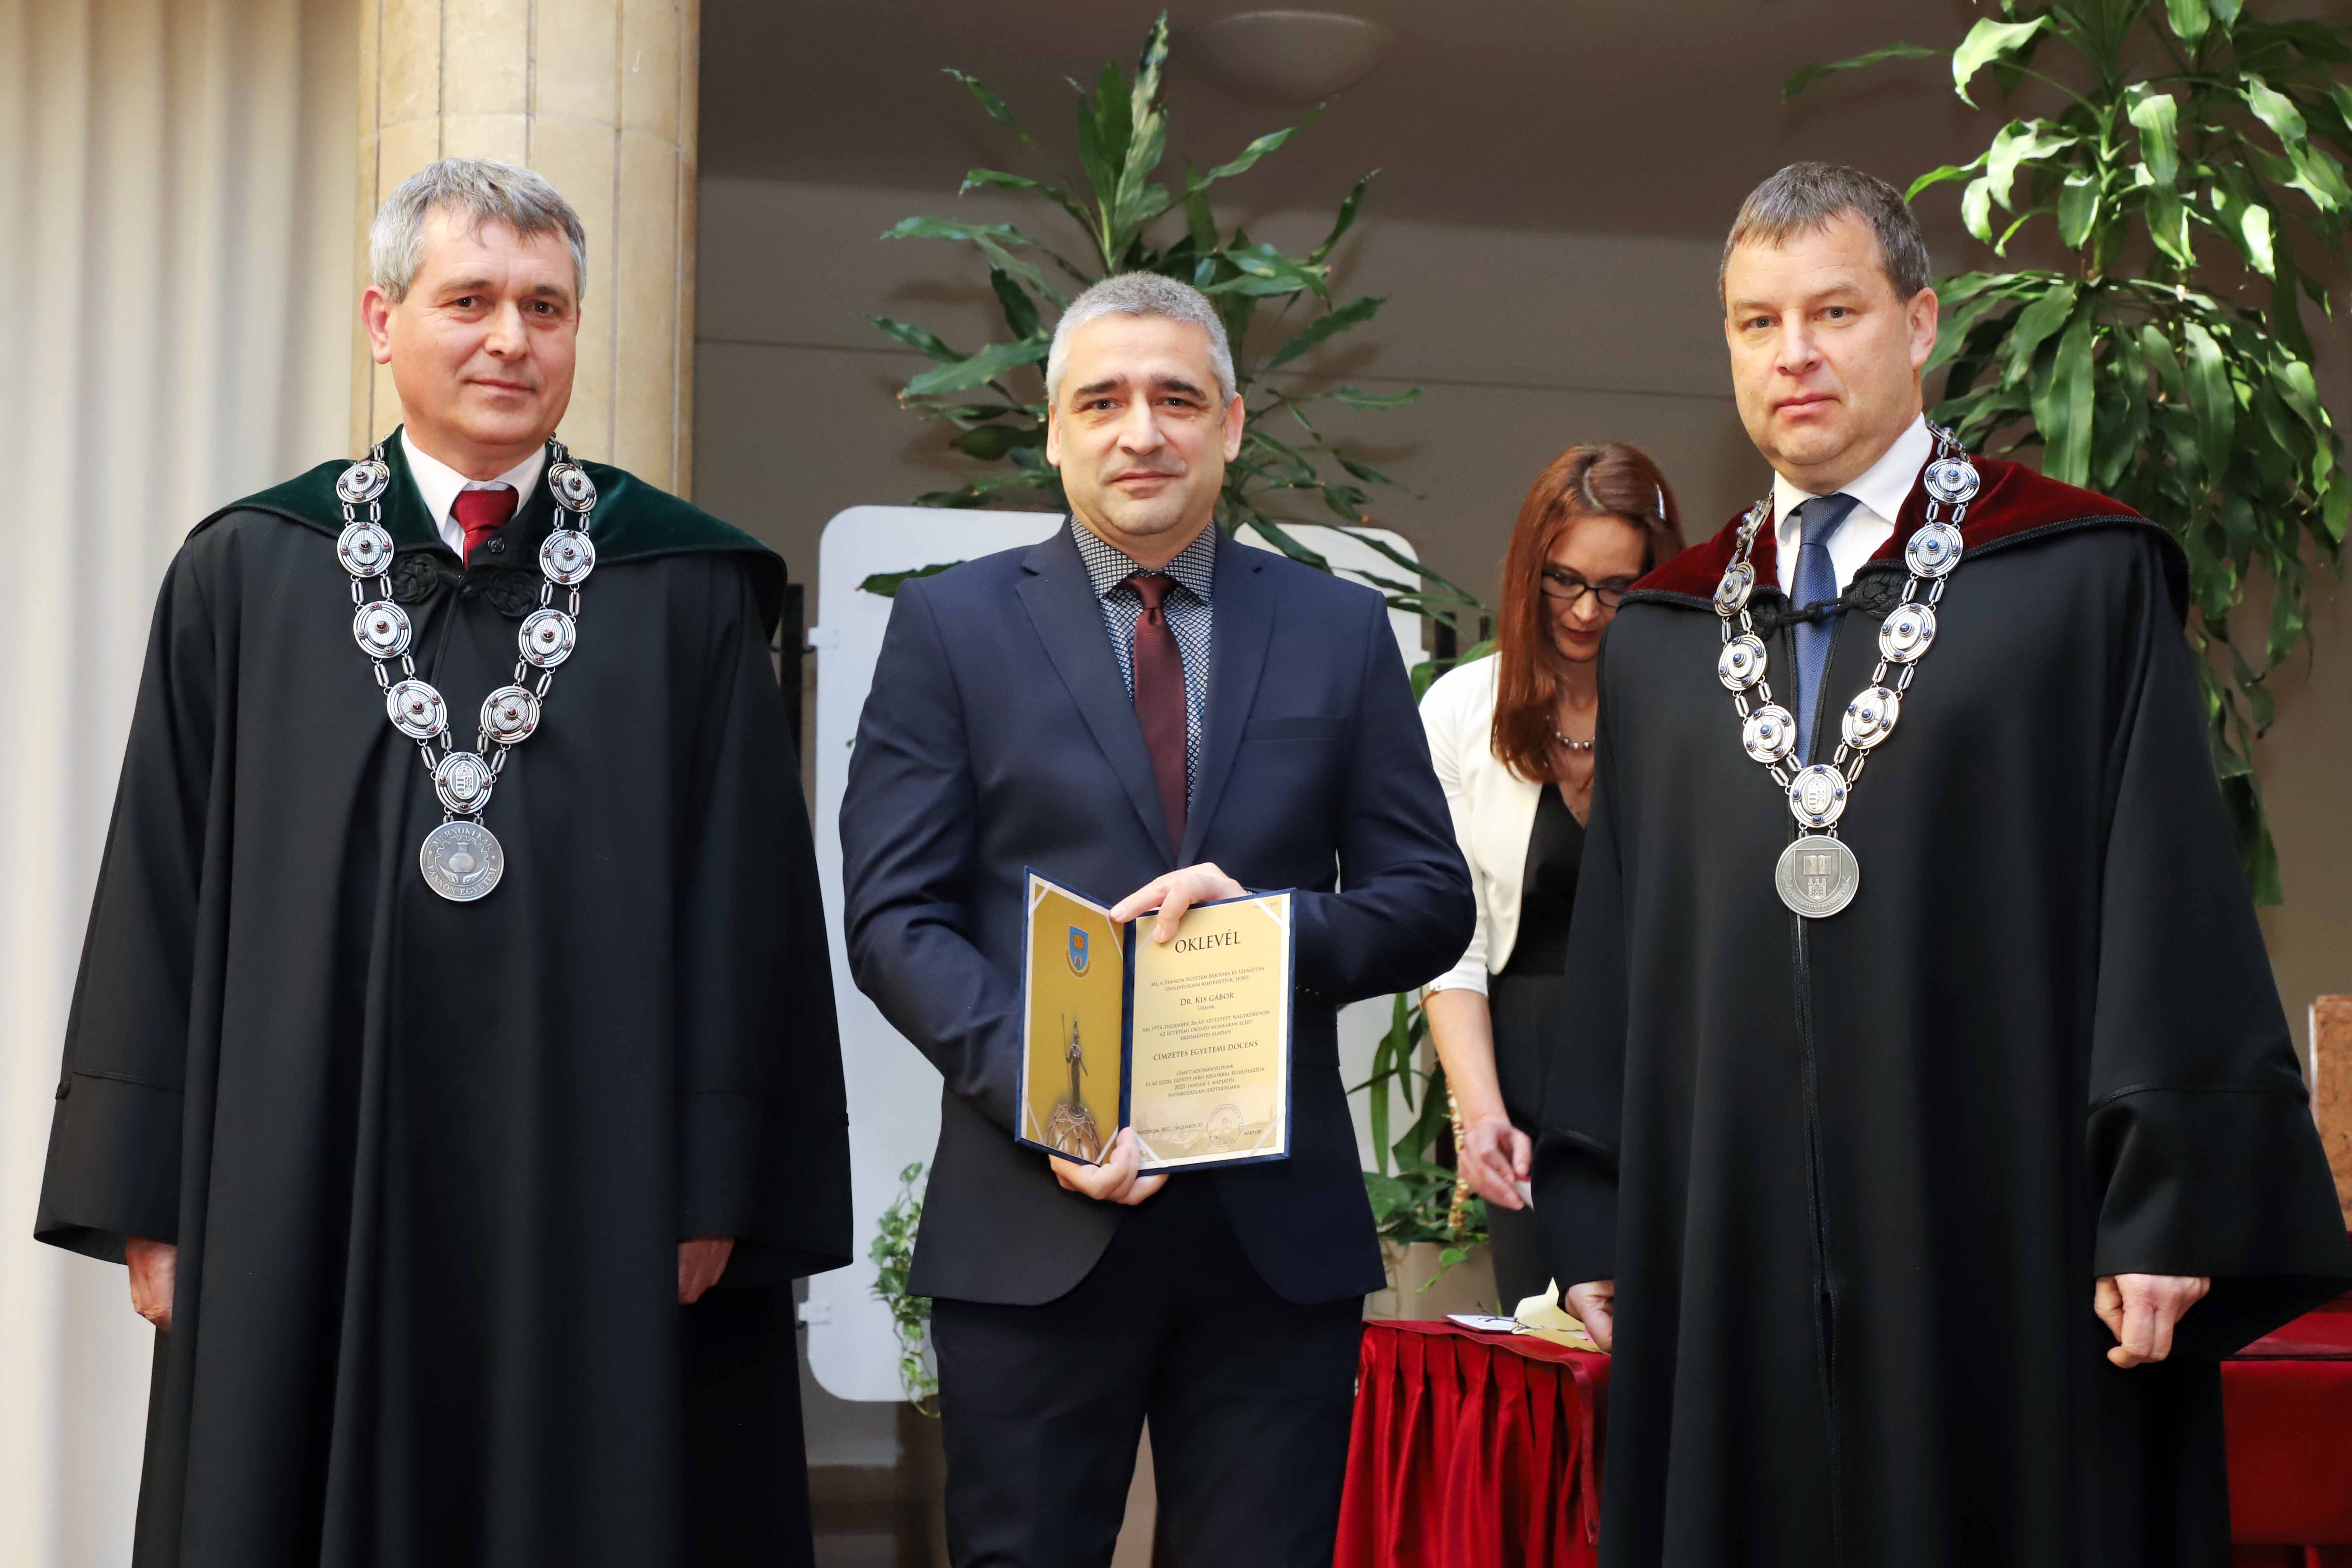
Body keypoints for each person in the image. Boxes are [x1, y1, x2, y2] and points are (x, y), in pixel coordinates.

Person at [1532, 161, 2352, 1568]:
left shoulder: (2079, 577)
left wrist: (2163, 1202)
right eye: (1755, 322)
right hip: (1730, 1249)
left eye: (1833, 311)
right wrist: (1598, 1205)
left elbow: (2165, 894)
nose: (1792, 354)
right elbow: (1620, 941)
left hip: (2007, 1229)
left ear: (1918, 324)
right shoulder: (1664, 638)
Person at [34, 158, 850, 1568]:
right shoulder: (246, 572)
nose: (510, 340)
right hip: (302, 1166)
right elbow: (159, 887)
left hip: (601, 1181)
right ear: (382, 320)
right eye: (468, 300)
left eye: (546, 307)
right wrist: (147, 1198)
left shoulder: (688, 590)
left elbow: (747, 918)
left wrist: (717, 1184)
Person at [841, 272, 1474, 1567]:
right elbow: (895, 916)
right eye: (1103, 401)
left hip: (1272, 1240)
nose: (1142, 431)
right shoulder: (950, 628)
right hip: (1036, 1215)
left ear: (1231, 426)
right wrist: (1053, 1103)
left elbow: (1427, 901)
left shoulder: (1339, 629)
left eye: (1177, 399)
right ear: (1055, 431)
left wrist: (1274, 928)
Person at [1419, 443, 1682, 1311]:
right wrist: (1482, 1114)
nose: (1584, 610)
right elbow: (1450, 940)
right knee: (1545, 1344)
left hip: (1675, 1066)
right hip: (1526, 1079)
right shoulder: (1461, 710)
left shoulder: (1698, 707)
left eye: (1616, 587)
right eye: (1563, 580)